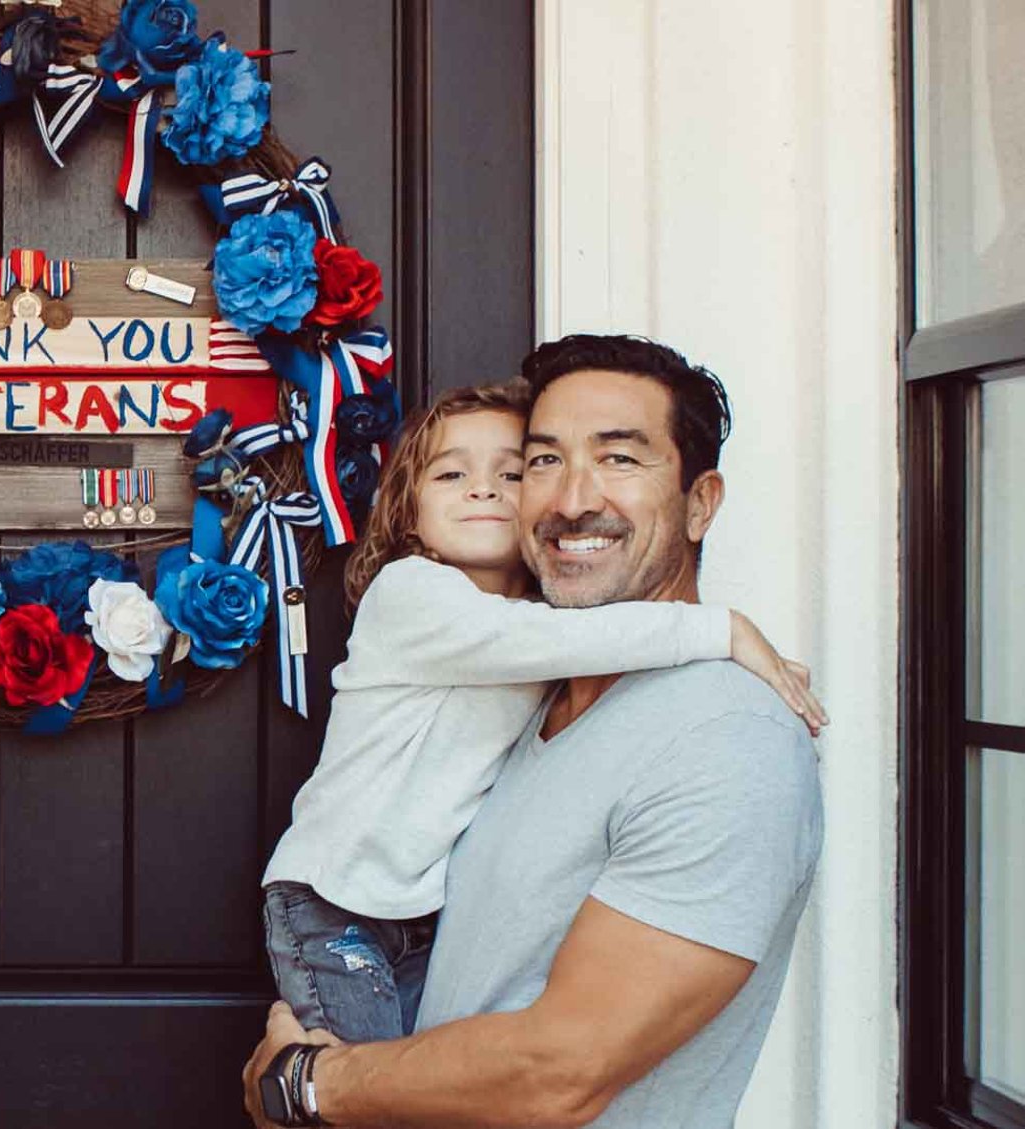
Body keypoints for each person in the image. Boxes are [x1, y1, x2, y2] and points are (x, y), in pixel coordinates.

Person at [245, 335, 826, 1129]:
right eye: (546, 461)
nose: (571, 498)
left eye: (620, 459)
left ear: (701, 502)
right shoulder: (528, 686)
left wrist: (306, 1083)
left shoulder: (727, 741)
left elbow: (561, 1071)